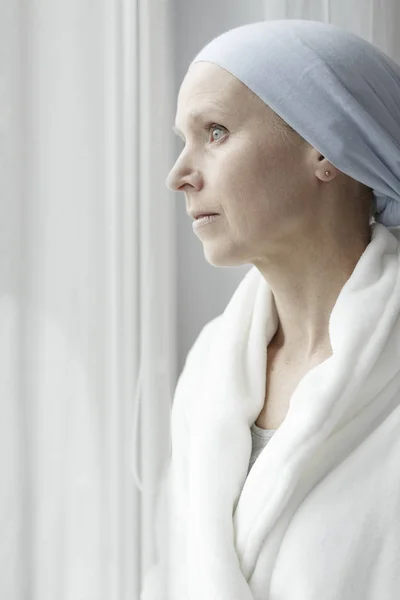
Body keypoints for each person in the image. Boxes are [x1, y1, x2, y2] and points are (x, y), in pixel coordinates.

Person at [141, 19, 400, 600]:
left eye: (215, 132)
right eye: (181, 140)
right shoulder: (209, 370)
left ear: (325, 149)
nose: (178, 175)